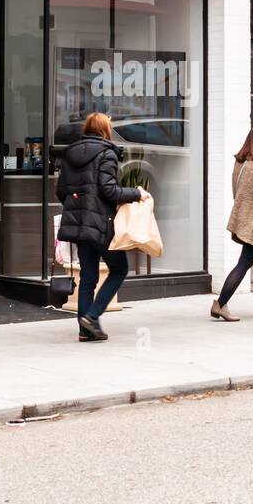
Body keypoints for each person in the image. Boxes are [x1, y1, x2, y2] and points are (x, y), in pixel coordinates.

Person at [56, 111, 149, 342]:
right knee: (119, 270)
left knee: (89, 276)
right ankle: (92, 315)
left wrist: (79, 207)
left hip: (80, 225)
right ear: (105, 130)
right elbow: (110, 191)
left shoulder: (70, 155)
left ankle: (85, 329)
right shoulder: (106, 154)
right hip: (100, 223)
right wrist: (136, 193)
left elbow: (61, 191)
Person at [211, 126, 253, 322]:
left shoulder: (241, 162)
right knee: (244, 263)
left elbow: (237, 190)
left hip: (242, 217)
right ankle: (220, 303)